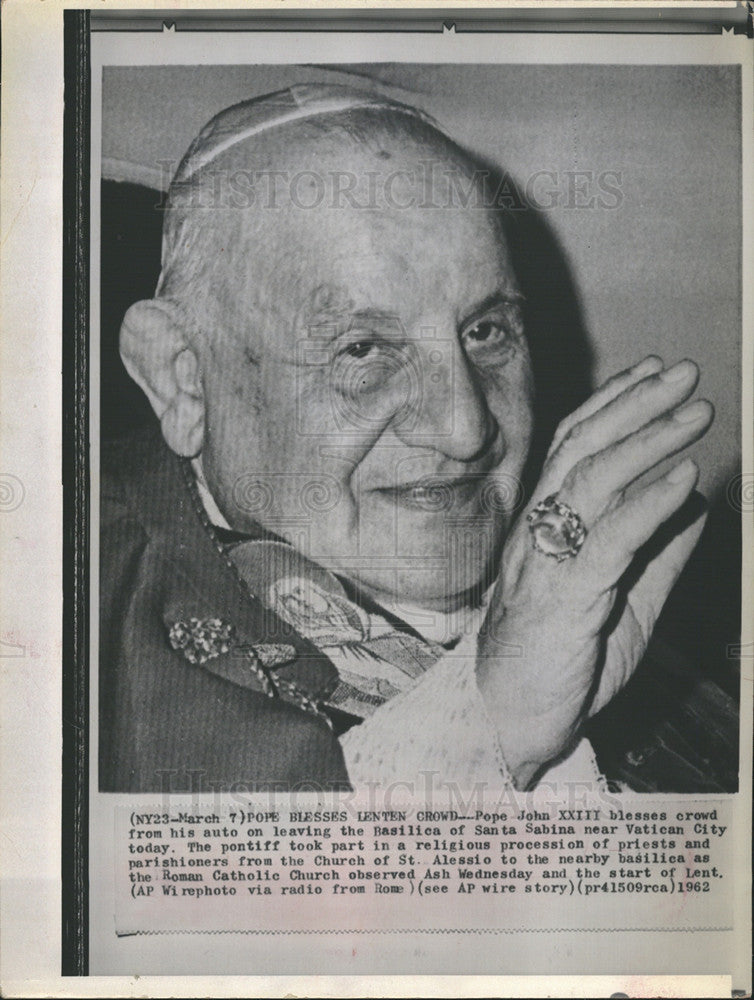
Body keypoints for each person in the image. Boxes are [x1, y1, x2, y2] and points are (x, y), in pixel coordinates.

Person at [99, 83, 724, 794]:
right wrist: (493, 719)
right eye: (364, 349)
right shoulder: (78, 626)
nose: (467, 429)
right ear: (184, 378)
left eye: (485, 332)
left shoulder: (606, 593)